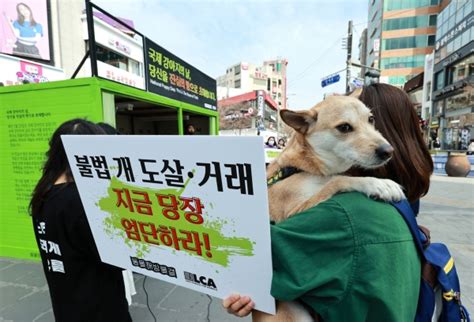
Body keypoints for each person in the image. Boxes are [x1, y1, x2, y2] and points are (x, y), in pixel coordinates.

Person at [223, 83, 434, 321]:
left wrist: (246, 293)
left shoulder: (345, 213)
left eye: (371, 120)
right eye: (345, 128)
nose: (379, 141)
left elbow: (253, 264)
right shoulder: (397, 204)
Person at [30, 119, 132, 322]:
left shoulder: (43, 192)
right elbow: (119, 260)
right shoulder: (81, 202)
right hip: (99, 309)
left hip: (67, 304)